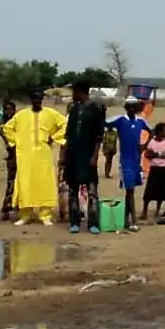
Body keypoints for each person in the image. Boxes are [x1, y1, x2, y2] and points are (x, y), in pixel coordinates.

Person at [0, 88, 66, 226]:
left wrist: (53, 138)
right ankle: (25, 215)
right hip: (25, 154)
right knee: (25, 182)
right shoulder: (21, 115)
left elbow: (65, 124)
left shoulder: (51, 114)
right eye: (35, 99)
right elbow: (7, 128)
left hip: (43, 154)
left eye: (39, 99)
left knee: (44, 183)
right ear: (31, 100)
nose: (37, 101)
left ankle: (45, 215)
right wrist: (17, 141)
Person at [60, 87, 109, 234]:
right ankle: (74, 222)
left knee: (91, 191)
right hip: (73, 155)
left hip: (88, 155)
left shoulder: (95, 109)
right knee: (72, 191)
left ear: (81, 92)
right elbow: (68, 134)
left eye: (74, 92)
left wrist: (94, 156)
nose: (73, 95)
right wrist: (64, 155)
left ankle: (93, 223)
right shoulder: (74, 109)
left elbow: (99, 136)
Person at [102, 98, 146, 233]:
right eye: (131, 107)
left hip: (136, 161)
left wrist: (144, 145)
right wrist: (103, 112)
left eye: (135, 107)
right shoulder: (120, 120)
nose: (133, 109)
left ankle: (126, 220)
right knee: (130, 189)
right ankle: (134, 220)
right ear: (126, 107)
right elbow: (104, 123)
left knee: (130, 191)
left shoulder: (140, 121)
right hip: (125, 161)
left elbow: (153, 130)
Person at [140, 122, 165, 221]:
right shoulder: (152, 142)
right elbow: (147, 154)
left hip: (163, 169)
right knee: (149, 192)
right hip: (154, 169)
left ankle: (157, 211)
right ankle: (144, 212)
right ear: (159, 132)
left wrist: (155, 154)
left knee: (161, 192)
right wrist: (160, 154)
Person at [0, 99, 18, 221]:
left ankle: (16, 206)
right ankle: (7, 207)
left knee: (18, 181)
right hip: (11, 155)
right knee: (10, 181)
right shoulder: (3, 124)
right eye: (7, 109)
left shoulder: (18, 122)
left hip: (19, 154)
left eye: (11, 109)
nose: (9, 112)